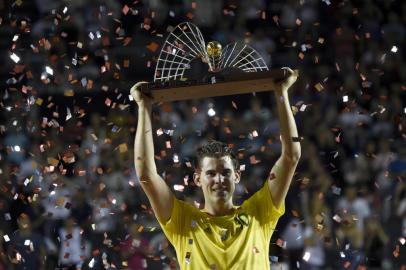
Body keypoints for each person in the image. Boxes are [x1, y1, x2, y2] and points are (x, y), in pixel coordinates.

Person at [130, 68, 300, 269]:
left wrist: (282, 92)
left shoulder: (259, 212)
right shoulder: (183, 220)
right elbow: (146, 175)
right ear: (197, 179)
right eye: (210, 173)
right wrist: (143, 107)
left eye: (226, 173)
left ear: (236, 176)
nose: (219, 180)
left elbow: (291, 156)